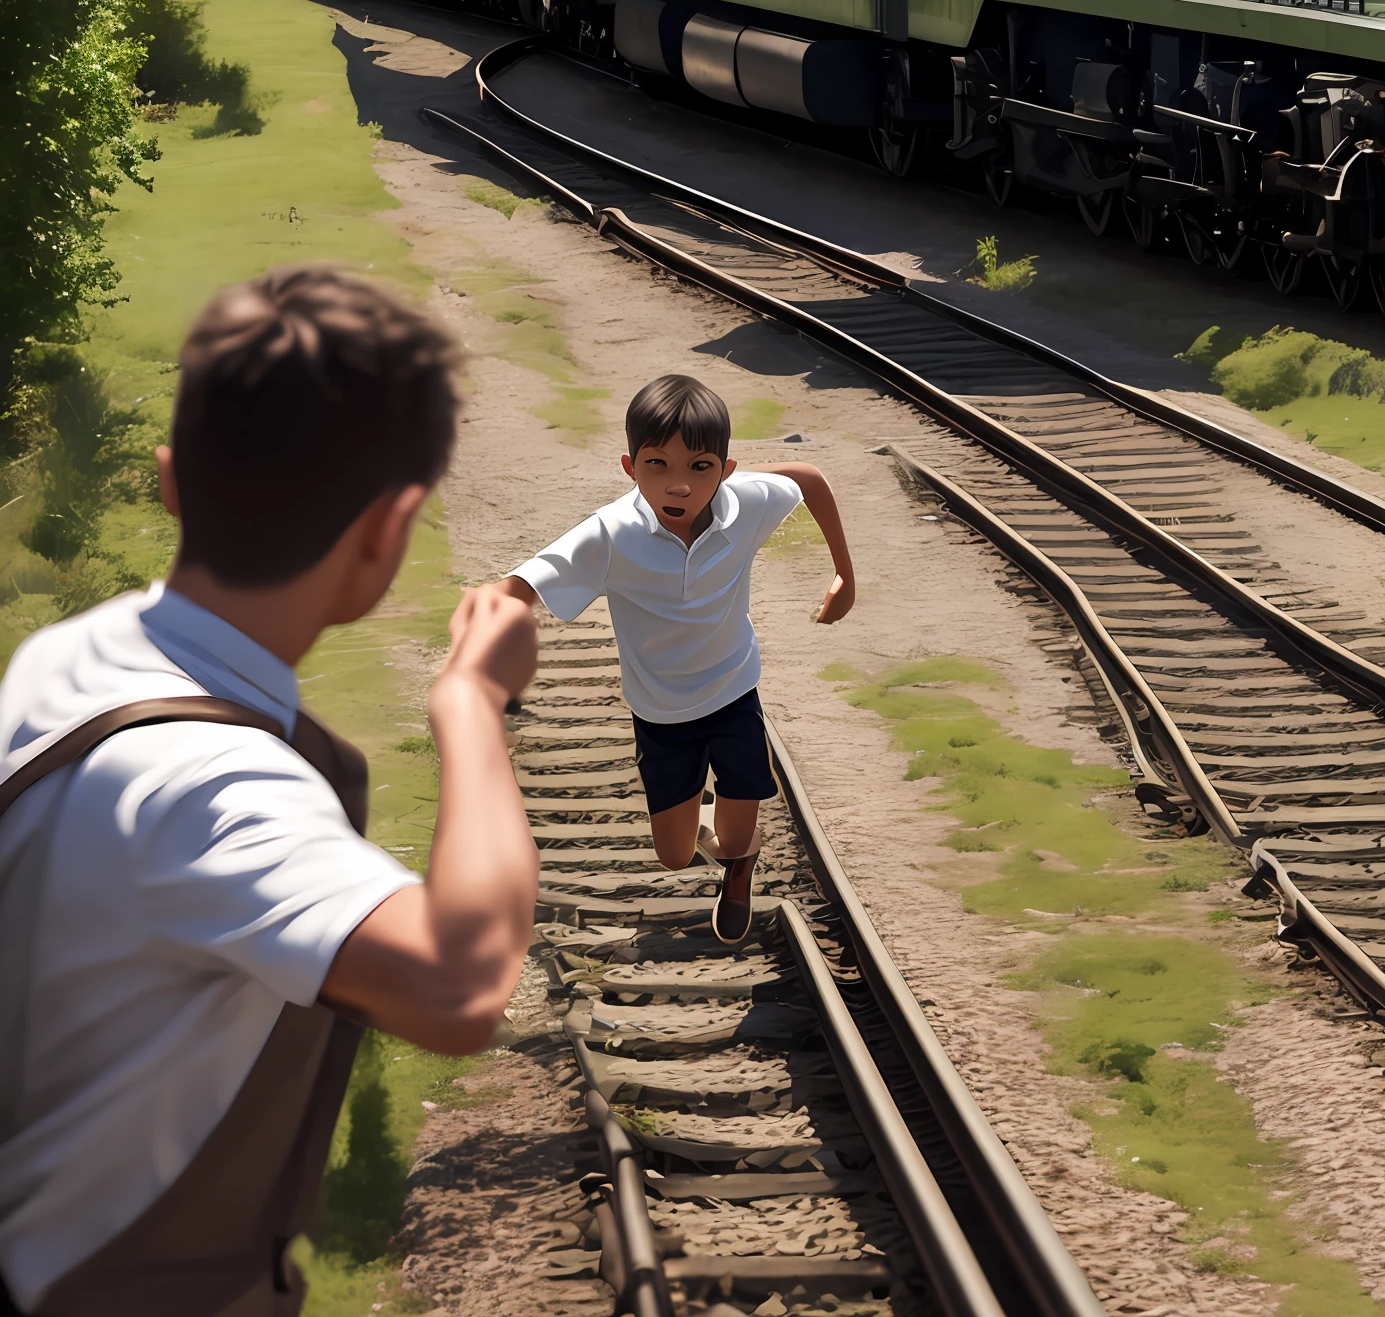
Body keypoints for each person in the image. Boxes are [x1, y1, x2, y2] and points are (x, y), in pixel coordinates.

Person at [0, 265, 539, 1317]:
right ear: (389, 527)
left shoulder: (65, 657)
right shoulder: (210, 786)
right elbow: (458, 983)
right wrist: (470, 702)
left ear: (170, 480)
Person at [494, 373, 854, 945]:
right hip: (660, 713)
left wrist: (845, 575)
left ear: (726, 471)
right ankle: (710, 825)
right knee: (673, 855)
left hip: (735, 691)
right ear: (629, 467)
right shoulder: (609, 535)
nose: (679, 485)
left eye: (699, 467)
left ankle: (740, 864)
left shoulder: (747, 503)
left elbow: (807, 478)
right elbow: (516, 590)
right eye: (657, 465)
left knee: (735, 841)